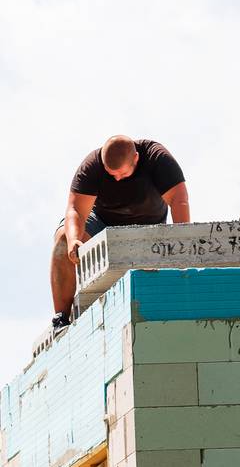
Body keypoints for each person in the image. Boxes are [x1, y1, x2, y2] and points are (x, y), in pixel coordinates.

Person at [50, 136, 190, 329]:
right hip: (102, 223)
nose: (116, 179)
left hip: (149, 227)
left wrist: (181, 247)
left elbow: (179, 200)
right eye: (111, 174)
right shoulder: (92, 166)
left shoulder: (157, 158)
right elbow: (75, 210)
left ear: (136, 159)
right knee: (62, 239)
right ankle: (61, 318)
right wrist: (74, 240)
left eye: (122, 174)